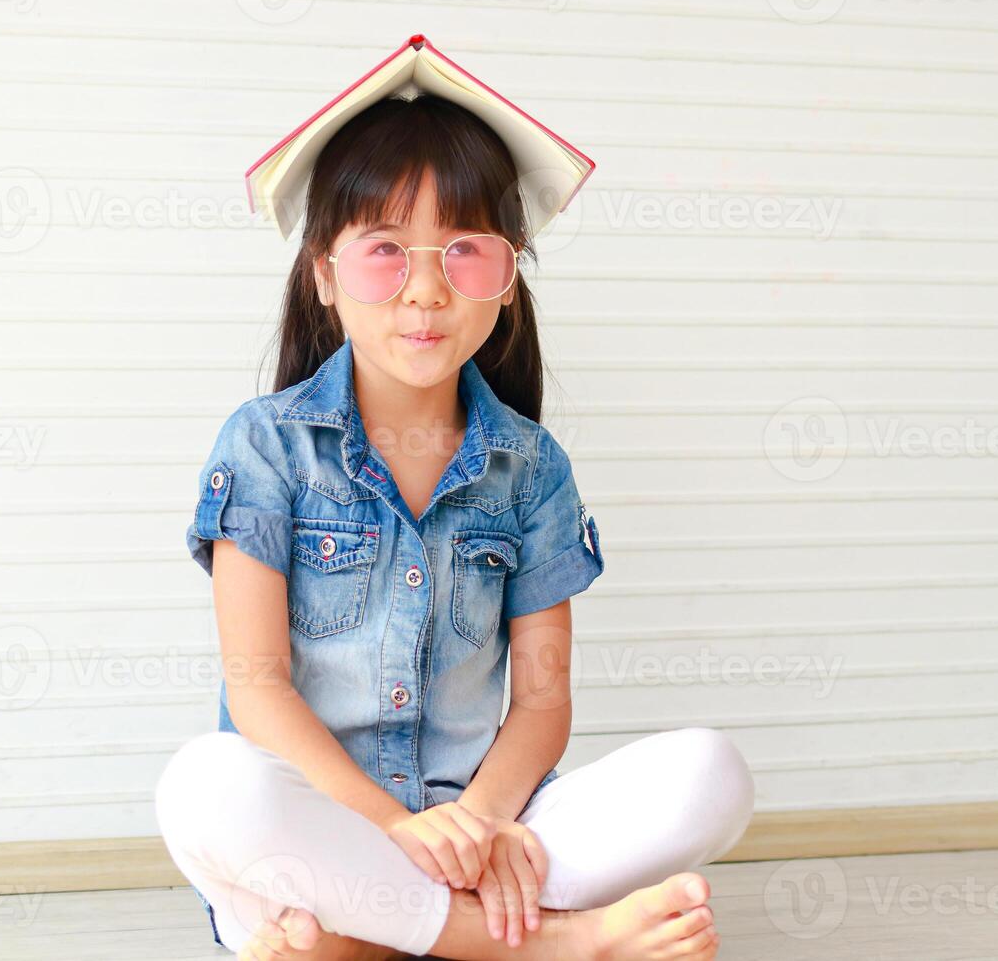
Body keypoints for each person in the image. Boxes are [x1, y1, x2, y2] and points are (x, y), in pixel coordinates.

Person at [152, 92, 755, 960]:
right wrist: (399, 830)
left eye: (465, 251)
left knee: (710, 772)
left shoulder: (531, 466)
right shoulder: (266, 445)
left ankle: (371, 940)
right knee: (207, 787)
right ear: (324, 274)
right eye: (385, 252)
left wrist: (474, 822)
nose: (428, 288)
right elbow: (258, 692)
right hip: (330, 825)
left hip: (487, 833)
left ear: (508, 278)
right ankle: (553, 943)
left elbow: (543, 703)